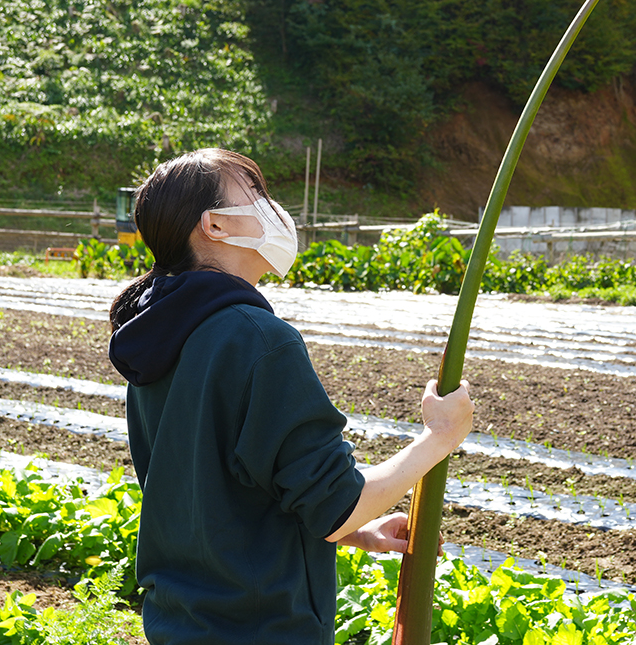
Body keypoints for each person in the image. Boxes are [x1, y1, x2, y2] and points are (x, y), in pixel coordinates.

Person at [108, 148, 474, 645]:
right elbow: (338, 505)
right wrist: (440, 436)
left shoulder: (158, 338)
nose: (272, 207)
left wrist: (358, 533)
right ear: (214, 225)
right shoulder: (257, 340)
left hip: (181, 623)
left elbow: (212, 494)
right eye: (255, 193)